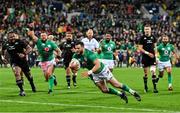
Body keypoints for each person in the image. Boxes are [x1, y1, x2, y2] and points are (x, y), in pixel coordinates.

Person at [70, 41, 141, 103]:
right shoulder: (75, 55)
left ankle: (133, 92)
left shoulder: (89, 54)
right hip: (94, 74)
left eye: (78, 48)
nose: (76, 50)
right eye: (75, 48)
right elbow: (74, 66)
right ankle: (120, 94)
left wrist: (89, 72)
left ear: (83, 47)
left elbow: (97, 65)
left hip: (102, 70)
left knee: (116, 84)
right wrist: (73, 69)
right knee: (104, 90)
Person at [1, 31, 36, 96]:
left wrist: (24, 54)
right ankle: (22, 90)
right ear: (8, 37)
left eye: (13, 36)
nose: (12, 38)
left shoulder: (20, 42)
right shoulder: (6, 44)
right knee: (17, 73)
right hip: (14, 61)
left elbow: (29, 48)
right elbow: (2, 51)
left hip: (23, 61)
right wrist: (3, 58)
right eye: (11, 37)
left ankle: (32, 84)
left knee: (29, 76)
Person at [138, 24, 158, 93]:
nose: (147, 30)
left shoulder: (153, 37)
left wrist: (156, 56)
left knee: (153, 72)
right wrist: (148, 53)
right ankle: (145, 86)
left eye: (148, 29)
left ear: (150, 30)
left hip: (152, 57)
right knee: (146, 73)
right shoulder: (142, 38)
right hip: (145, 57)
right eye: (146, 29)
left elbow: (155, 47)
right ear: (144, 30)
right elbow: (140, 48)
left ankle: (155, 88)